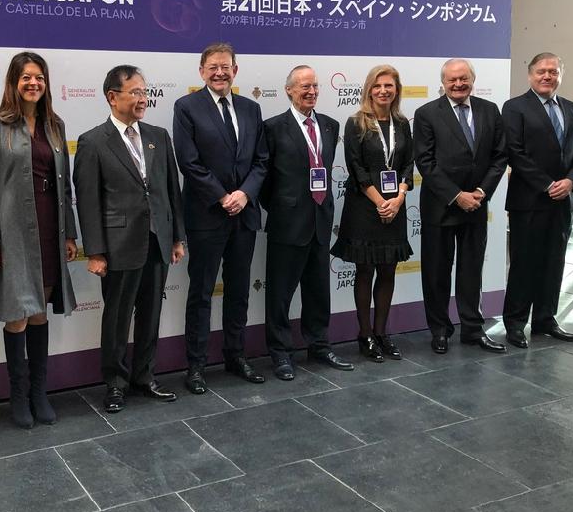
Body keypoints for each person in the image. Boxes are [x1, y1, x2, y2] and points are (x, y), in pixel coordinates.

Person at [0, 52, 78, 428]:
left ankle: (39, 393)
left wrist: (69, 233)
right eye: (26, 77)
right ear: (14, 82)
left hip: (49, 227)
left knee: (40, 310)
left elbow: (65, 187)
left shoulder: (55, 125)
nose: (34, 83)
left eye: (39, 77)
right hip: (12, 231)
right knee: (18, 314)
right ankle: (18, 395)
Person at [74, 65, 186, 413]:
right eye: (135, 92)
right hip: (118, 245)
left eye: (145, 92)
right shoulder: (93, 141)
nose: (143, 99)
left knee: (151, 314)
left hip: (157, 240)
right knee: (118, 318)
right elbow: (88, 202)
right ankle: (115, 383)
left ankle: (144, 376)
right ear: (112, 97)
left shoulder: (158, 136)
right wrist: (95, 252)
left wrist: (177, 237)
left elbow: (171, 190)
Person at [173, 42, 269, 394]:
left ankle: (235, 356)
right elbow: (189, 162)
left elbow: (261, 161)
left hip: (244, 215)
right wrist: (222, 196)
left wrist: (244, 194)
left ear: (235, 70)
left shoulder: (250, 108)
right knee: (201, 293)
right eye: (212, 67)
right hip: (206, 215)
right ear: (202, 71)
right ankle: (196, 366)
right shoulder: (186, 107)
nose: (219, 72)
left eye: (225, 66)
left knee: (239, 290)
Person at [262, 66, 354, 379]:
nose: (311, 91)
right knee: (279, 294)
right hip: (287, 223)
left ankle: (319, 345)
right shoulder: (273, 128)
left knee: (318, 291)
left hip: (320, 221)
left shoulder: (329, 125)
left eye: (315, 86)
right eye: (304, 86)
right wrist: (283, 207)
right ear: (289, 90)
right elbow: (265, 181)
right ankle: (280, 353)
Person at [413, 58, 508, 354]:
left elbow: (499, 156)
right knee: (436, 274)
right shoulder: (426, 113)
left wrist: (480, 192)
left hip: (476, 206)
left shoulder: (489, 110)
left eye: (463, 78)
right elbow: (425, 162)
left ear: (472, 80)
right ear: (443, 83)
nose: (458, 84)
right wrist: (457, 195)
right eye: (452, 79)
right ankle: (440, 330)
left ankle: (473, 329)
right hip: (440, 207)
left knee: (471, 272)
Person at [501, 52, 573, 348]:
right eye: (541, 71)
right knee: (524, 264)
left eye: (553, 71)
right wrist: (547, 184)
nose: (547, 76)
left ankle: (545, 319)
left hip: (562, 201)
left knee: (554, 263)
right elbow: (515, 153)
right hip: (529, 201)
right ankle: (515, 323)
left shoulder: (572, 108)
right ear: (530, 75)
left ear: (560, 76)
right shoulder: (515, 108)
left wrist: (571, 182)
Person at [331, 65, 414, 362]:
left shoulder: (402, 123)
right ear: (369, 89)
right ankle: (364, 334)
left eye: (389, 85)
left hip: (395, 207)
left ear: (396, 89)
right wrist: (381, 202)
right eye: (377, 86)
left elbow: (408, 164)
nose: (383, 91)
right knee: (365, 271)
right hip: (365, 208)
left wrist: (399, 198)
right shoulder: (356, 123)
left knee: (388, 270)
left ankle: (382, 334)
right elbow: (356, 168)